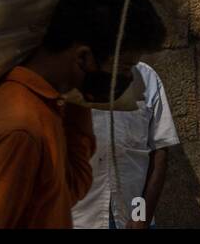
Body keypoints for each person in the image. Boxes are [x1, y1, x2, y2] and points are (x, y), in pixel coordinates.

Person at [0, 0, 167, 229]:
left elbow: (71, 187)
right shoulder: (19, 126)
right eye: (123, 68)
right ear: (84, 58)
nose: (127, 80)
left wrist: (79, 100)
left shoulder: (46, 108)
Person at [71, 60, 179, 229]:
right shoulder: (72, 76)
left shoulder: (146, 76)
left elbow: (160, 151)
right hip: (79, 218)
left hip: (132, 218)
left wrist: (141, 215)